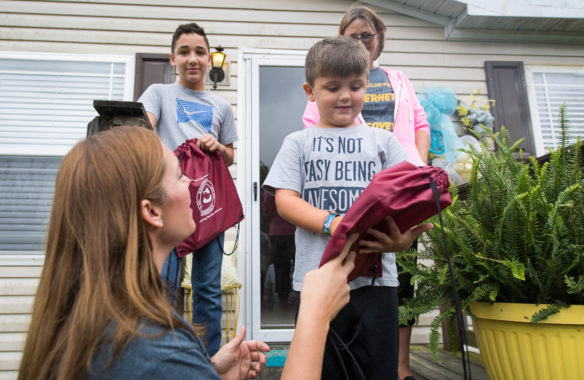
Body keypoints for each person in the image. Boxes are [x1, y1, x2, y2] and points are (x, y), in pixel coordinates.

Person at [17, 125, 358, 380]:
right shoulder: (152, 346)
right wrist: (314, 315)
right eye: (180, 175)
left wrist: (207, 371)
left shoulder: (94, 323)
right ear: (152, 211)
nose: (193, 184)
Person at [264, 37, 432, 380]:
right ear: (310, 91)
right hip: (317, 282)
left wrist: (402, 240)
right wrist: (334, 223)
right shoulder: (298, 142)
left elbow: (403, 202)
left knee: (378, 369)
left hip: (378, 282)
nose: (345, 95)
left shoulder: (384, 142)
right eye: (332, 87)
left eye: (355, 86)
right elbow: (285, 200)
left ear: (366, 87)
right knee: (325, 368)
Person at [138, 22, 237, 356]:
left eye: (199, 52)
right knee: (163, 283)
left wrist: (218, 148)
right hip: (169, 201)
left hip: (208, 205)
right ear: (172, 58)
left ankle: (207, 360)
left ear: (210, 59)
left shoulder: (221, 107)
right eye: (184, 52)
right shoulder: (158, 93)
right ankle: (162, 355)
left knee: (207, 288)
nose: (192, 58)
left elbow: (231, 155)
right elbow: (142, 128)